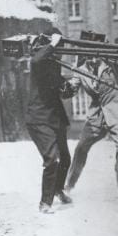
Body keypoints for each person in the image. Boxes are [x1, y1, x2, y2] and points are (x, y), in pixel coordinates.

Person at [64, 49, 118, 201]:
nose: (92, 59)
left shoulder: (112, 65)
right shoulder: (81, 70)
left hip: (116, 113)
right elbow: (72, 88)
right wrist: (66, 87)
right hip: (96, 117)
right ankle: (69, 185)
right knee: (81, 148)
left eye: (95, 55)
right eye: (88, 56)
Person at [26, 30, 77, 213]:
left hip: (55, 118)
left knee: (65, 158)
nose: (61, 50)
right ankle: (44, 203)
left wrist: (71, 88)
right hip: (39, 119)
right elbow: (36, 60)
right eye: (59, 46)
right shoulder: (39, 62)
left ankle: (57, 189)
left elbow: (63, 91)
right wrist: (53, 44)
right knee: (51, 160)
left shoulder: (54, 65)